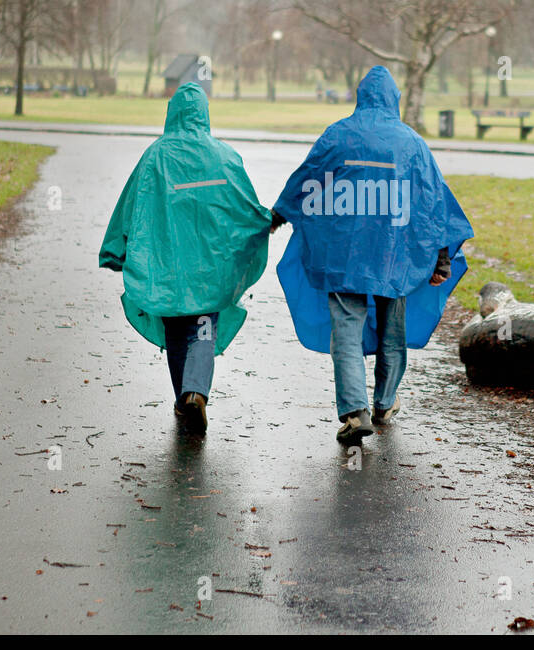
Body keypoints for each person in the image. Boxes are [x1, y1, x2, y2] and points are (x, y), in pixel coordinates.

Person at [271, 65, 474, 446]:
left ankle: (354, 412)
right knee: (392, 330)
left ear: (360, 96)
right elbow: (434, 202)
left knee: (345, 333)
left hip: (344, 254)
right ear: (394, 100)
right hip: (394, 257)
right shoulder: (411, 143)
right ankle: (385, 403)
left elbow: (307, 178)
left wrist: (279, 215)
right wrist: (441, 257)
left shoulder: (338, 135)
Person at [99, 82, 272, 434]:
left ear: (172, 113)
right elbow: (243, 203)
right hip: (211, 266)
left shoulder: (155, 156)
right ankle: (195, 393)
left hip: (168, 269)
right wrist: (264, 221)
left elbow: (131, 204)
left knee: (177, 332)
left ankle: (185, 398)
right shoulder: (223, 156)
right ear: (204, 114)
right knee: (203, 332)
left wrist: (116, 249)